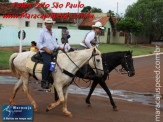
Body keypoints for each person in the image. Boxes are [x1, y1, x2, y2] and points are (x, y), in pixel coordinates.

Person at [37, 18, 64, 89]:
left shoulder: (53, 32)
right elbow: (38, 44)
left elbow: (54, 44)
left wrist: (60, 47)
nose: (49, 24)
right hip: (45, 52)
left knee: (57, 64)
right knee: (48, 63)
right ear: (45, 24)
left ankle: (52, 80)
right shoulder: (42, 32)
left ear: (52, 24)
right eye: (48, 23)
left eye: (51, 23)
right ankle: (43, 81)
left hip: (53, 52)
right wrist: (46, 50)